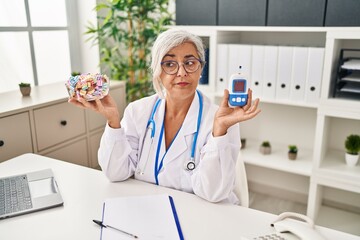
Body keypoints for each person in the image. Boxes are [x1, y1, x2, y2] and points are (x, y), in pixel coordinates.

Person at [68, 28, 260, 204]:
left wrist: (219, 131)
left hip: (203, 215)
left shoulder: (222, 119)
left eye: (190, 63)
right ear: (158, 71)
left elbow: (213, 193)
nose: (181, 72)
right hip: (148, 208)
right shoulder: (138, 111)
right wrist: (113, 122)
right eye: (170, 64)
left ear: (201, 69)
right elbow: (116, 173)